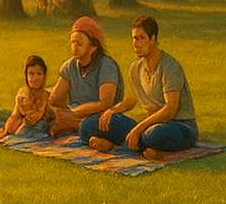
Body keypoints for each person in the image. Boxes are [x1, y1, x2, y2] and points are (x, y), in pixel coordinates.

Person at [83, 16, 198, 160]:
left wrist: (139, 128)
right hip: (147, 123)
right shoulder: (135, 68)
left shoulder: (170, 67)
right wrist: (112, 111)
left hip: (179, 126)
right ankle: (146, 149)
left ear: (153, 39)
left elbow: (171, 108)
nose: (136, 44)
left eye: (141, 38)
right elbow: (132, 99)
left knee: (153, 135)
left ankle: (115, 147)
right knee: (89, 125)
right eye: (134, 38)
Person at [48, 17, 122, 139]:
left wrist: (73, 114)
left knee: (89, 125)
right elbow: (55, 99)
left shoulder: (107, 66)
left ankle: (76, 126)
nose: (74, 47)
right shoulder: (69, 66)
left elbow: (106, 103)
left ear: (93, 46)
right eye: (73, 43)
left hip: (104, 117)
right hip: (74, 114)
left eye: (79, 44)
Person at [3, 56, 55, 136]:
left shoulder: (49, 98)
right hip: (27, 125)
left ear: (44, 76)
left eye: (39, 74)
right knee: (21, 132)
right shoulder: (22, 97)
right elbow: (16, 115)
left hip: (44, 126)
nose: (35, 78)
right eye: (31, 74)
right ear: (26, 76)